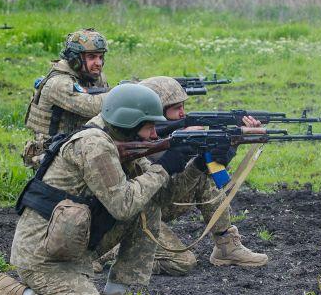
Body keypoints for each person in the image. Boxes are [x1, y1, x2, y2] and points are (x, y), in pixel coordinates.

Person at [0, 84, 211, 295]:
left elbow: (160, 197)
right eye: (149, 126)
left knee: (146, 203)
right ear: (129, 123)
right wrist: (162, 169)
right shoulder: (94, 145)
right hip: (44, 257)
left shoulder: (120, 137)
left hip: (72, 245)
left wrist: (199, 166)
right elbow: (123, 204)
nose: (153, 135)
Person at [95, 76, 268, 275]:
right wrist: (176, 153)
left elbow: (201, 170)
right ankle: (115, 251)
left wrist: (227, 145)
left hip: (161, 201)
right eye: (176, 107)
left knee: (205, 174)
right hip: (136, 212)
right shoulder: (129, 142)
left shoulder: (172, 135)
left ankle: (226, 245)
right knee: (183, 263)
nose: (183, 113)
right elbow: (142, 194)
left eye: (183, 106)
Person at [22, 28, 109, 168]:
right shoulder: (59, 83)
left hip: (75, 143)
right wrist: (125, 93)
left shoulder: (92, 76)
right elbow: (94, 107)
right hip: (51, 154)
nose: (98, 63)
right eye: (92, 57)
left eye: (100, 57)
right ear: (75, 59)